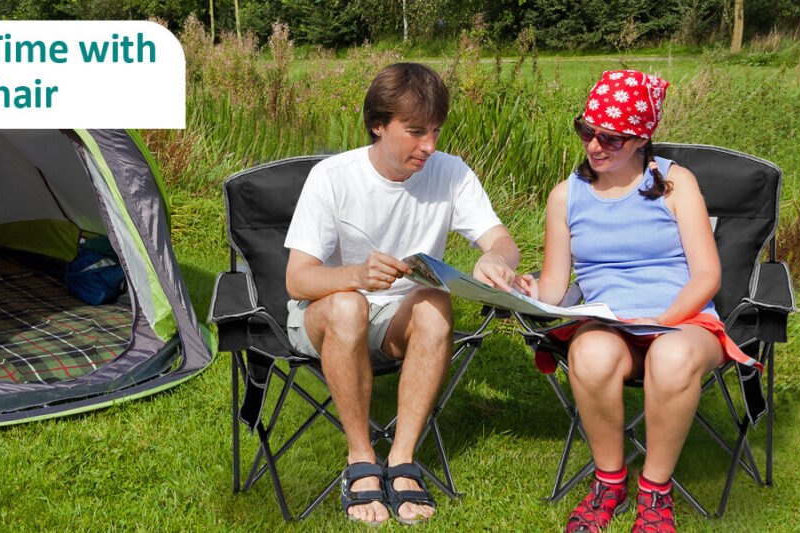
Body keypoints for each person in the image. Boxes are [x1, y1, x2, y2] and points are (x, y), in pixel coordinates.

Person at [514, 70, 758, 533]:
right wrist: (525, 289)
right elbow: (553, 286)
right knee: (589, 351)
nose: (595, 145)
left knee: (671, 353)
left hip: (682, 319)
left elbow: (707, 276)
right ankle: (609, 481)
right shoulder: (566, 196)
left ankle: (654, 494)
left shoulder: (674, 182)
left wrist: (662, 319)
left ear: (643, 139)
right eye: (587, 131)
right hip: (610, 323)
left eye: (612, 138)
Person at [284, 62, 520, 525]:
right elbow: (297, 280)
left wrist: (497, 259)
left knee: (435, 302)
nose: (429, 146)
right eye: (415, 132)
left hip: (396, 321)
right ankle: (361, 459)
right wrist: (355, 274)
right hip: (324, 317)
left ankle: (403, 459)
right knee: (349, 305)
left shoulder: (450, 173)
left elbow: (502, 240)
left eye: (435, 131)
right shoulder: (333, 177)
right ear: (378, 125)